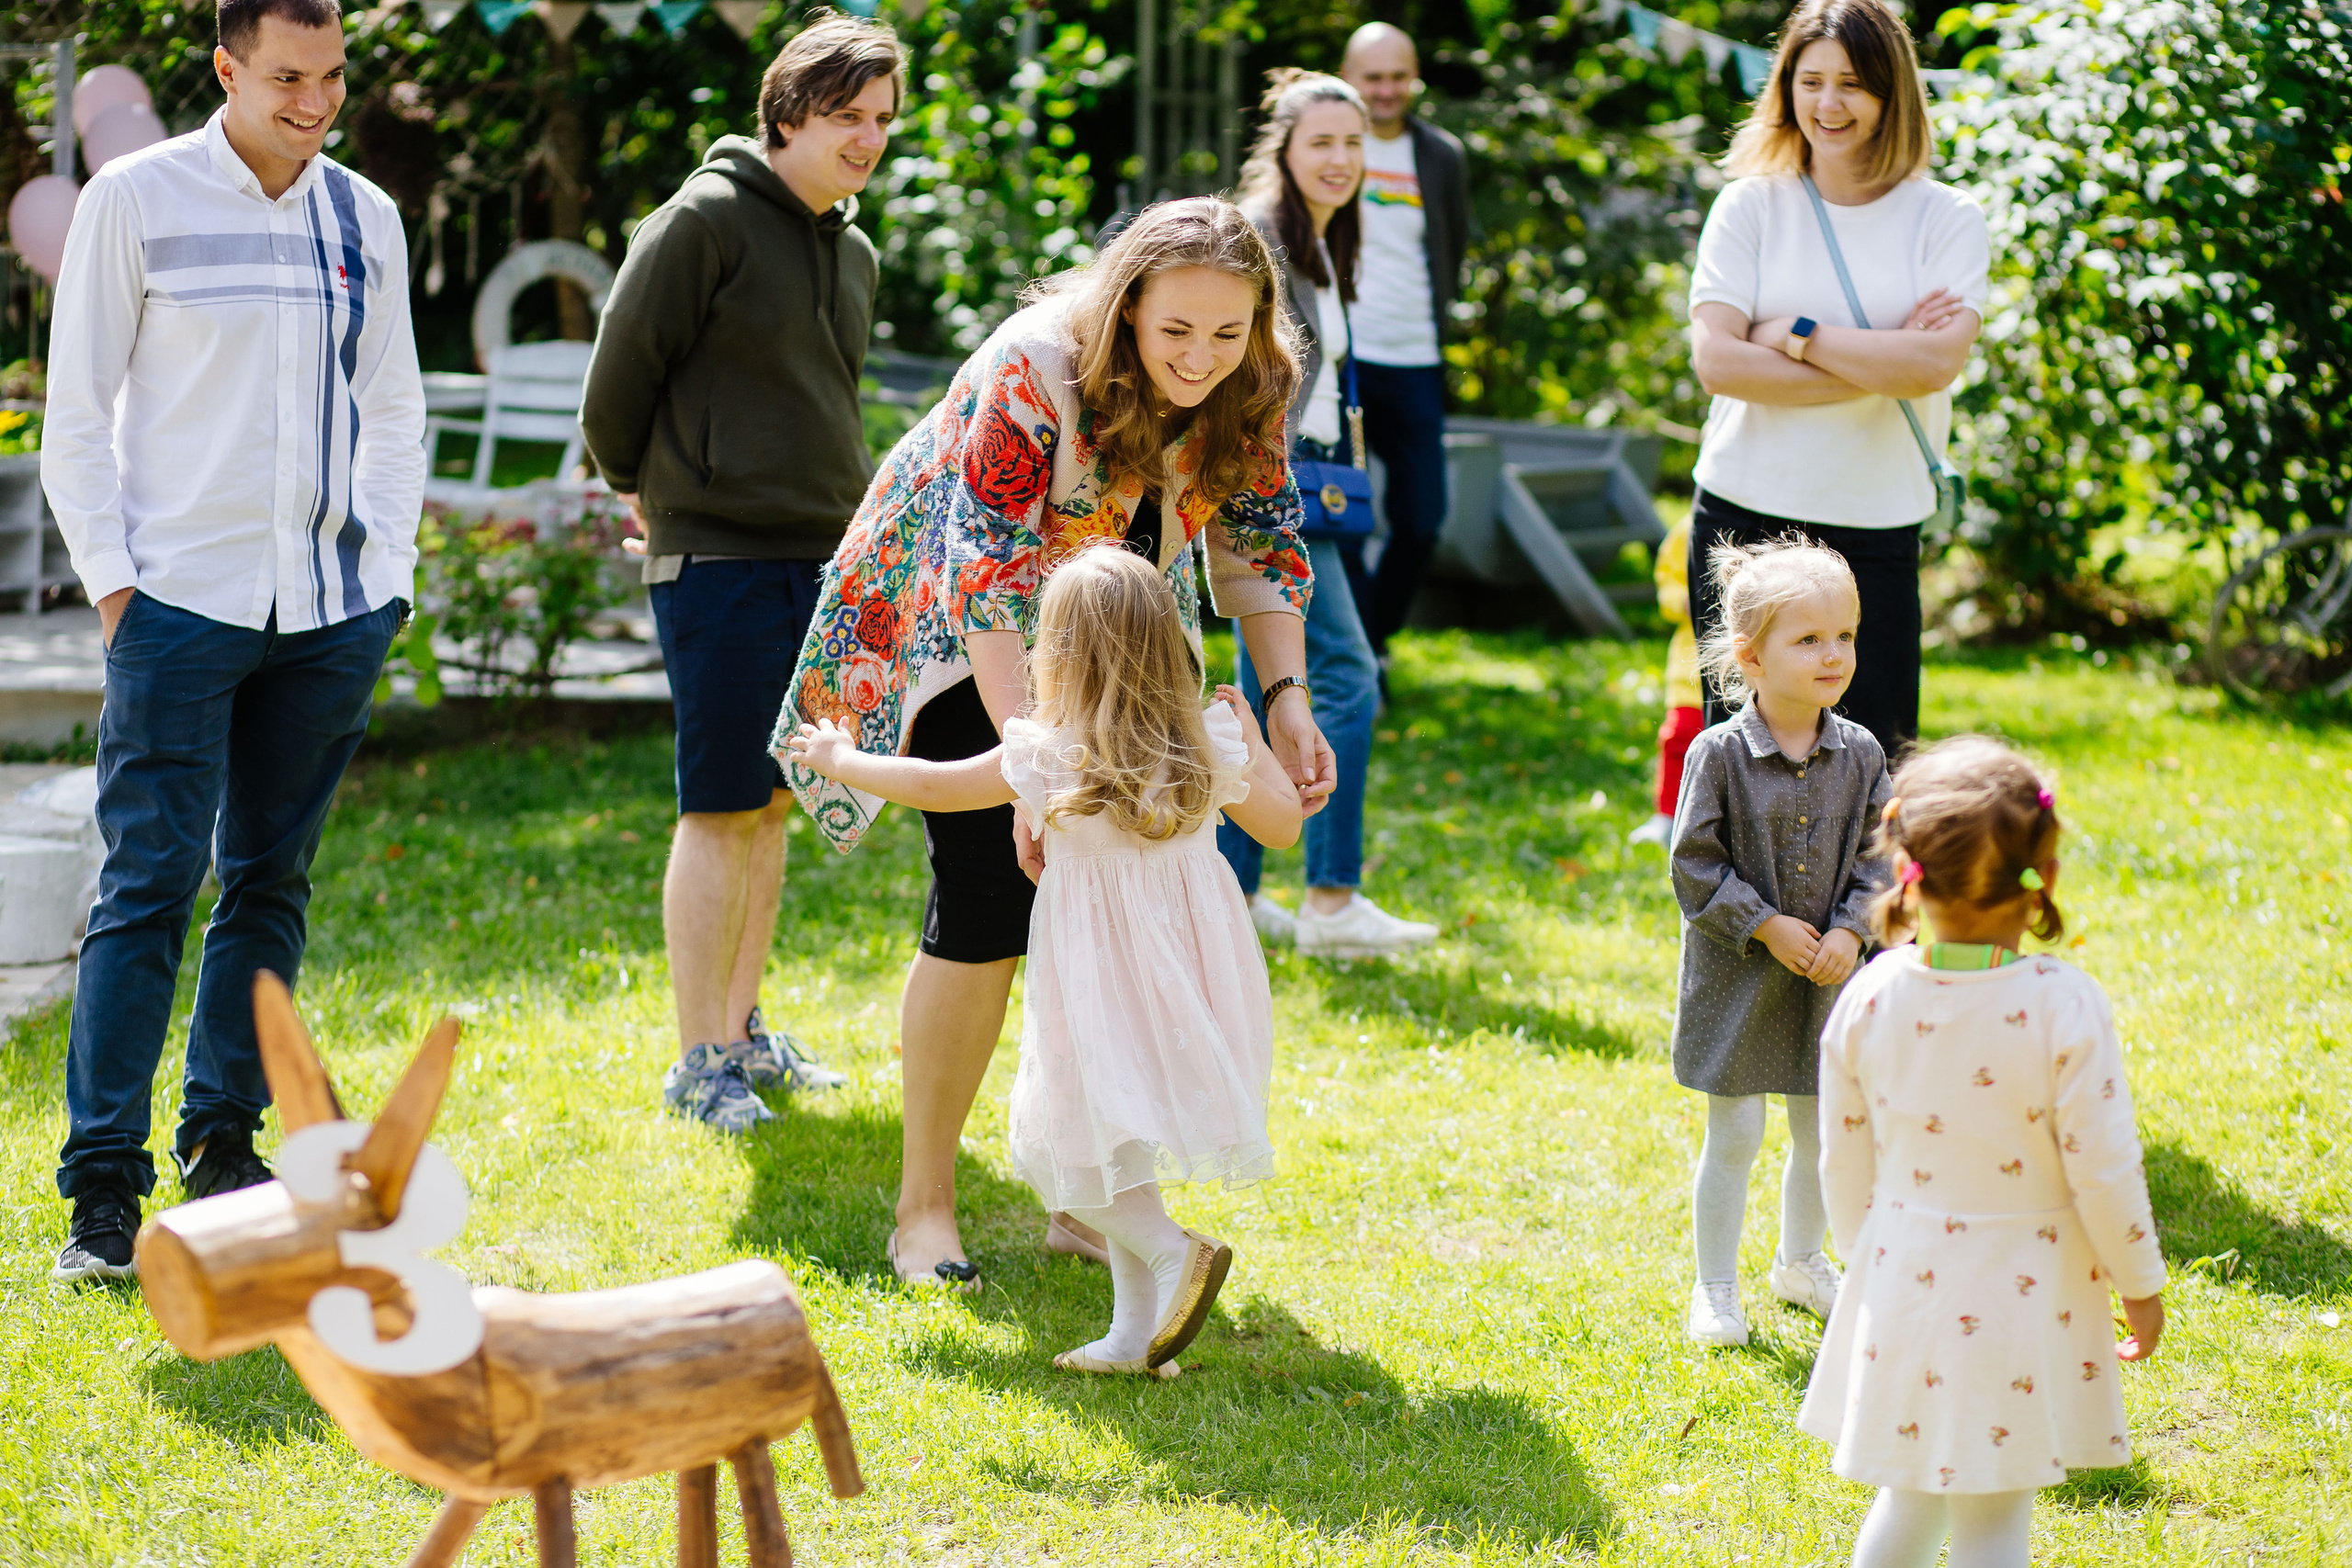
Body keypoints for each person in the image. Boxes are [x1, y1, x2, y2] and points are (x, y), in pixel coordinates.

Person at [772, 197, 1335, 1289]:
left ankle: (1090, 1196)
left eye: (1226, 334)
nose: (1200, 358)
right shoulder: (1037, 365)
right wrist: (1033, 765)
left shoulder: (1254, 379)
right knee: (988, 893)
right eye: (1175, 333)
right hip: (967, 626)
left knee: (1106, 906)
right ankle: (923, 1208)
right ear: (1125, 309)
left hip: (1124, 621)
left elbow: (1262, 546)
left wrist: (1287, 697)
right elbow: (981, 569)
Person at [41, 0, 424, 1280]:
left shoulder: (364, 216)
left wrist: (388, 582)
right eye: (283, 79)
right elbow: (77, 413)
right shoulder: (135, 201)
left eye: (329, 77)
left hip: (327, 612)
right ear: (225, 67)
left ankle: (224, 1145)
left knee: (268, 883)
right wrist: (116, 592)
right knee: (146, 887)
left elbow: (396, 410)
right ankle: (102, 1190)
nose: (312, 104)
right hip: (176, 606)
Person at [789, 546, 1305, 1373]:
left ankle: (1176, 1252)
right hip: (1184, 979)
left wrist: (840, 761)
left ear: (1059, 657)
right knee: (1117, 1147)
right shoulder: (1203, 737)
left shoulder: (1050, 749)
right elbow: (1282, 828)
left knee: (1060, 1150)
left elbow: (934, 783)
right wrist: (1250, 737)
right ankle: (1136, 1336)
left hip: (1096, 987)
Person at [581, 13, 907, 1129]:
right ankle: (698, 1059)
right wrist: (654, 491)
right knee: (720, 807)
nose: (864, 138)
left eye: (879, 118)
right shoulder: (702, 221)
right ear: (787, 112)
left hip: (822, 559)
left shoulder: (852, 249)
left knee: (774, 802)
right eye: (843, 115)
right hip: (715, 557)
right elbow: (615, 385)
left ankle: (744, 1029)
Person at [1803, 735, 2166, 1568]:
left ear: (1908, 866)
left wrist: (1867, 1261)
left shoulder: (1870, 995)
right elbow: (2104, 1166)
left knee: (1910, 1495)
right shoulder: (2065, 1006)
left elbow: (1843, 1156)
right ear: (2041, 876)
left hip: (1902, 1280)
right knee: (1995, 1515)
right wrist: (2140, 1281)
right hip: (2023, 1296)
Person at [1686, 0, 1988, 756]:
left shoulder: (1947, 217)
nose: (1828, 104)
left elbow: (1936, 365)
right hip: (1744, 518)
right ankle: (1742, 886)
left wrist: (1795, 335)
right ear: (1784, 86)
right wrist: (1887, 357)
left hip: (1874, 521)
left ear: (1893, 92)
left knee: (1874, 758)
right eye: (1810, 80)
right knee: (1744, 758)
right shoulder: (1749, 206)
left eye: (1852, 83)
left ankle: (1860, 885)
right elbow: (1719, 362)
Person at [1220, 70, 1438, 960]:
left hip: (1304, 481)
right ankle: (1332, 897)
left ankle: (1233, 892)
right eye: (1322, 142)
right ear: (1283, 149)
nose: (1341, 159)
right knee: (1344, 675)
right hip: (1270, 484)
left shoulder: (1323, 238)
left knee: (1262, 687)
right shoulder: (1263, 237)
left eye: (1353, 144)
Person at [1670, 536, 1890, 1346]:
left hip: (1828, 980)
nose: (1833, 654)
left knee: (1820, 1128)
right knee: (1735, 1132)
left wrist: (1852, 928)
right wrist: (1761, 922)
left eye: (1845, 636)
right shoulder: (1718, 754)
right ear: (1751, 658)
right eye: (1809, 639)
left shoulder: (1862, 753)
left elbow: (1883, 857)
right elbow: (1693, 863)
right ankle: (1715, 1286)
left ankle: (1801, 1261)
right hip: (1738, 979)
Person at [1336, 21, 1471, 662]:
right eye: (1373, 78)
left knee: (1421, 521)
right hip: (1346, 361)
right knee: (1346, 515)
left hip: (1417, 358)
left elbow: (1452, 247)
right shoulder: (1334, 149)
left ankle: (1376, 638)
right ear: (1349, 79)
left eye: (1397, 77)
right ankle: (1361, 653)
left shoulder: (1441, 155)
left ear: (1412, 78)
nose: (1386, 91)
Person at [1630, 513, 1704, 848]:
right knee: (1680, 737)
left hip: (1743, 671)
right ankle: (1667, 814)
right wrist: (1683, 601)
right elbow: (1668, 582)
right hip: (1690, 667)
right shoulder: (1687, 530)